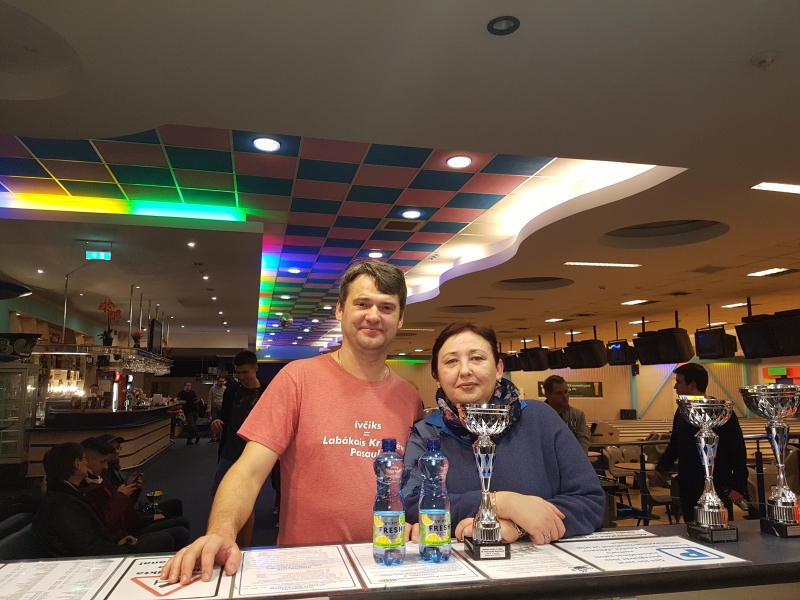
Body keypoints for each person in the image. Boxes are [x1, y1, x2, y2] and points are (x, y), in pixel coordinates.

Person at [161, 260, 421, 585]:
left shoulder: (409, 398)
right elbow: (248, 471)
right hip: (308, 572)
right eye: (362, 304)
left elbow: (415, 484)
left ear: (400, 318)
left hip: (389, 570)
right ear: (340, 310)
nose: (373, 315)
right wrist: (221, 531)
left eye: (386, 307)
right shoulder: (297, 379)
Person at [402, 322, 605, 546]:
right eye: (451, 361)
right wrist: (501, 503)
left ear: (498, 369)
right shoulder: (427, 433)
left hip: (540, 563)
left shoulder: (540, 419)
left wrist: (517, 527)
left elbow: (590, 502)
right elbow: (409, 505)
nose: (465, 370)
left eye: (477, 358)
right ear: (436, 376)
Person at [32, 442, 174, 557]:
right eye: (84, 459)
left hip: (106, 546)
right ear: (77, 463)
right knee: (165, 539)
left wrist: (117, 540)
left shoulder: (69, 494)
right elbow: (91, 549)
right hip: (90, 563)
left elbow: (93, 533)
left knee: (167, 535)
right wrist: (124, 548)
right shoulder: (63, 506)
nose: (87, 463)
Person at [653, 363, 748, 522]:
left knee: (720, 526)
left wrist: (738, 486)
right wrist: (663, 466)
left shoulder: (722, 412)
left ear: (693, 385)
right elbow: (675, 444)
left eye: (679, 382)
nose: (675, 387)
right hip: (688, 484)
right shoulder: (682, 412)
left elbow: (737, 449)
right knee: (691, 525)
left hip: (718, 483)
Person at [80, 438, 191, 549]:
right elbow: (104, 523)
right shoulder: (88, 489)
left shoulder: (101, 478)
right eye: (102, 462)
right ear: (86, 461)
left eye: (118, 448)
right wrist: (122, 497)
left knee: (182, 522)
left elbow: (126, 510)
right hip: (121, 539)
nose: (106, 466)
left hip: (131, 526)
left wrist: (131, 489)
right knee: (179, 533)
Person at [210, 351, 268, 546]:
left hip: (253, 455)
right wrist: (217, 421)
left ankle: (245, 547)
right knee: (219, 495)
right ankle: (224, 540)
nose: (241, 377)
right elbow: (224, 415)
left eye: (245, 372)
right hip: (229, 451)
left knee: (246, 500)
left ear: (255, 368)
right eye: (238, 373)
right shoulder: (232, 390)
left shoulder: (267, 391)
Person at [95, 433, 183, 518]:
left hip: (135, 512)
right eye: (112, 449)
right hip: (132, 519)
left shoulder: (115, 471)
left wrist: (130, 486)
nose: (117, 452)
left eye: (118, 447)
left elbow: (127, 501)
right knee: (181, 522)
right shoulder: (100, 480)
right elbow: (114, 513)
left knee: (175, 504)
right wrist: (150, 517)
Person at [542, 375, 591, 455]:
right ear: (548, 395)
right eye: (559, 393)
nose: (564, 396)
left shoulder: (578, 415)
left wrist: (579, 458)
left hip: (571, 458)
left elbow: (583, 441)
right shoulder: (539, 415)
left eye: (566, 392)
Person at [208, 377, 226, 443]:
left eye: (223, 381)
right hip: (214, 407)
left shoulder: (225, 388)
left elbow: (226, 399)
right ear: (217, 381)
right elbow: (210, 398)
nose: (222, 383)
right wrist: (209, 407)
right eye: (220, 381)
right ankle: (213, 438)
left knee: (221, 423)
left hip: (222, 407)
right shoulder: (212, 388)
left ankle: (219, 437)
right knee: (214, 422)